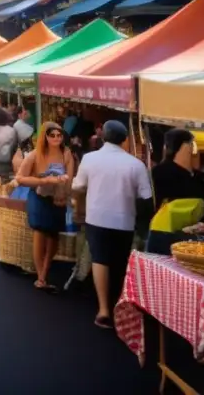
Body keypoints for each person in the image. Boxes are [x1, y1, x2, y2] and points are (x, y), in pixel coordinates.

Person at [72, 120, 153, 329]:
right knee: (119, 262)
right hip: (124, 219)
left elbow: (78, 186)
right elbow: (146, 196)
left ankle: (103, 310)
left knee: (100, 258)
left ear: (103, 137)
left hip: (96, 217)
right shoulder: (136, 164)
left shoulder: (89, 159)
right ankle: (118, 304)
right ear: (125, 140)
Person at [15, 122, 75, 293]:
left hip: (58, 200)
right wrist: (43, 181)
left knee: (54, 236)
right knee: (40, 233)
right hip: (39, 197)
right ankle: (41, 277)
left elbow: (69, 178)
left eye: (59, 135)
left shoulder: (66, 154)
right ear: (45, 136)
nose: (56, 138)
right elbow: (20, 178)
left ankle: (44, 272)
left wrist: (65, 194)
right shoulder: (34, 155)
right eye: (52, 135)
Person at [147, 128, 204, 254]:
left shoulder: (201, 179)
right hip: (162, 239)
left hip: (190, 242)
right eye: (190, 144)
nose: (192, 150)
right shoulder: (157, 174)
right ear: (185, 147)